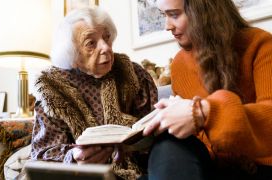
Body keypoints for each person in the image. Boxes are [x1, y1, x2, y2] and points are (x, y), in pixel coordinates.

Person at [142, 0, 272, 179]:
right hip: (211, 167)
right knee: (168, 143)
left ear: (203, 11)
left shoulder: (260, 45)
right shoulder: (179, 64)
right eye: (164, 15)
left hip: (261, 167)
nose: (167, 26)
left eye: (174, 15)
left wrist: (205, 112)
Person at [31, 7, 157, 180]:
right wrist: (74, 158)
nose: (106, 47)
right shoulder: (52, 90)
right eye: (91, 43)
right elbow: (42, 155)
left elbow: (153, 132)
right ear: (72, 54)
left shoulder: (133, 74)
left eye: (106, 37)